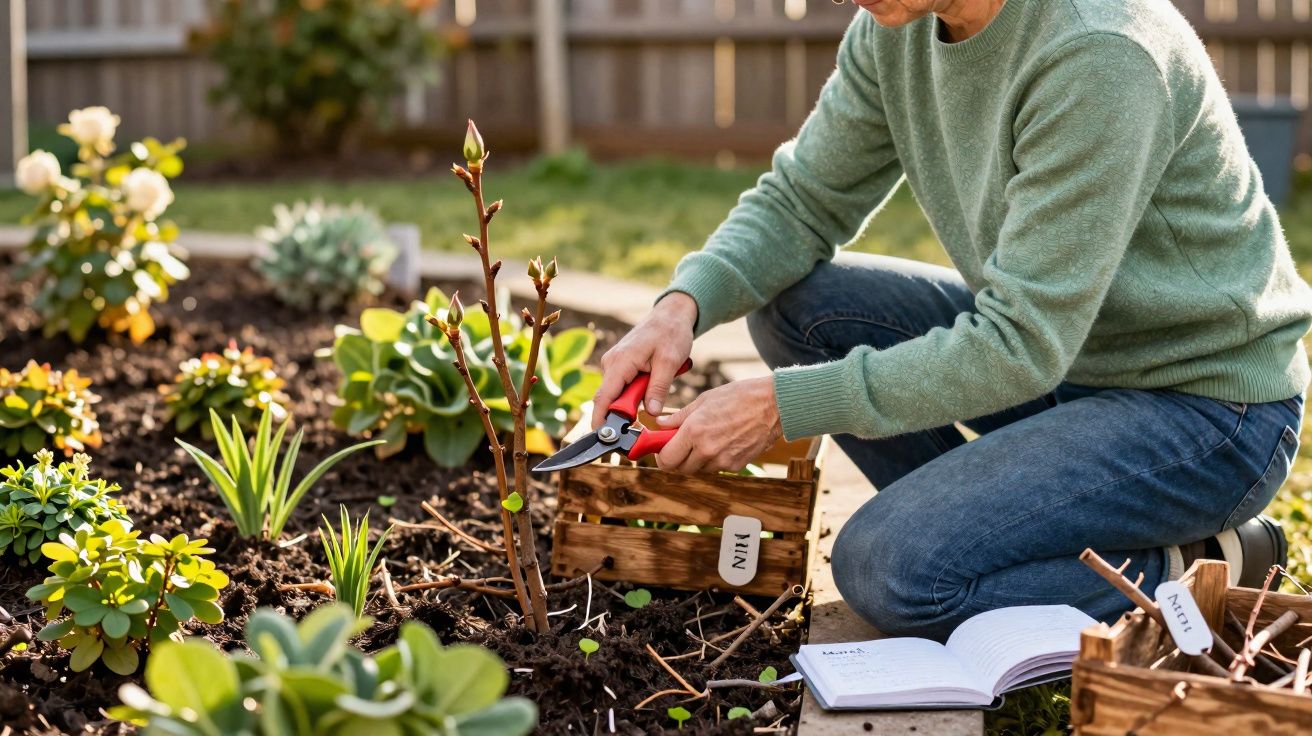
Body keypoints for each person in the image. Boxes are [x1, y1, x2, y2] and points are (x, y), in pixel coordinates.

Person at [590, 0, 1312, 641]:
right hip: (1070, 361)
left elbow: (1020, 344)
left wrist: (785, 406)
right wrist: (679, 308)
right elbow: (802, 200)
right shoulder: (898, 25)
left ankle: (1197, 563)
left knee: (889, 571)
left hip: (1203, 409)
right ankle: (982, 526)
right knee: (803, 310)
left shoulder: (1101, 51)